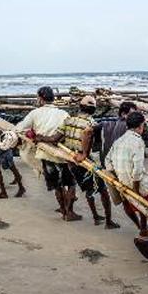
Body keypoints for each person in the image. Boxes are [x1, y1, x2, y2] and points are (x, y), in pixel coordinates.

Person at [37, 96, 119, 229]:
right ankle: (109, 222)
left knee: (88, 189)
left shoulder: (68, 120)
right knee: (102, 191)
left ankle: (95, 216)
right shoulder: (90, 122)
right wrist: (85, 153)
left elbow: (54, 138)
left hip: (71, 161)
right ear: (93, 110)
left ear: (80, 107)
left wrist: (40, 138)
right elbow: (87, 134)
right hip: (84, 161)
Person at [16, 86, 80, 221]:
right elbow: (68, 134)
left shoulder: (35, 113)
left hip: (46, 154)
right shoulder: (63, 113)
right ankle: (70, 212)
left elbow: (19, 128)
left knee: (57, 185)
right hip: (63, 155)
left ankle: (63, 211)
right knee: (71, 184)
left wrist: (32, 134)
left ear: (41, 98)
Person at [105, 111, 148, 236]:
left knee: (142, 208)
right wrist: (136, 190)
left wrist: (118, 177)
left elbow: (107, 162)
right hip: (139, 185)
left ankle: (143, 229)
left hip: (123, 183)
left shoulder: (118, 141)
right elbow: (137, 170)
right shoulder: (137, 142)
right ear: (141, 126)